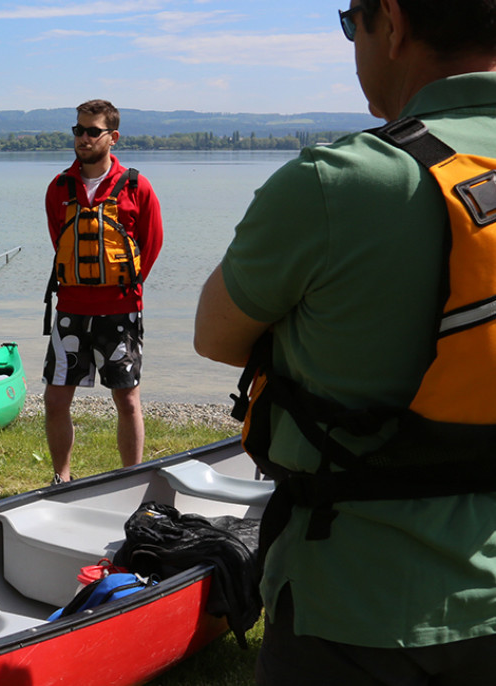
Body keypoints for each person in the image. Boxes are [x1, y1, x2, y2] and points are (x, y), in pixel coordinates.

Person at [194, 1, 496, 683]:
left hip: (359, 607)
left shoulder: (338, 181)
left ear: (390, 22)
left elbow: (214, 335)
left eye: (347, 21)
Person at [42, 99, 164, 482]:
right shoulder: (59, 187)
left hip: (120, 309)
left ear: (113, 137)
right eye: (78, 130)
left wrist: (122, 287)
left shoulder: (136, 186)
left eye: (92, 131)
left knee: (127, 399)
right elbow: (58, 239)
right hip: (71, 308)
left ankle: (131, 479)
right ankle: (62, 478)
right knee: (55, 398)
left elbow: (152, 244)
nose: (83, 138)